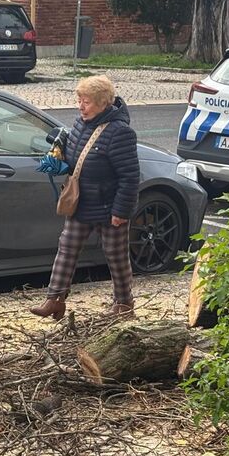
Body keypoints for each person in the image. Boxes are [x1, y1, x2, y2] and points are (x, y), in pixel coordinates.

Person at [30, 75, 139, 320]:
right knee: (67, 248)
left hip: (110, 206)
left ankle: (124, 304)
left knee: (116, 255)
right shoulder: (79, 125)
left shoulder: (120, 133)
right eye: (79, 100)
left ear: (103, 104)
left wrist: (121, 212)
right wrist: (59, 164)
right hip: (83, 203)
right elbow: (75, 161)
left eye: (86, 102)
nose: (80, 106)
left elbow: (130, 177)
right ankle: (55, 299)